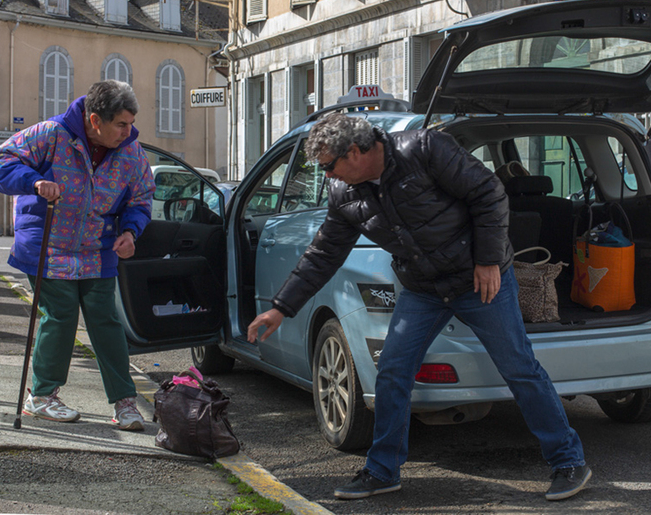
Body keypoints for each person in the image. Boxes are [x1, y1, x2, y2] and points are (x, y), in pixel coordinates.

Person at [247, 114, 591, 501]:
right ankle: (382, 471)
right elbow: (323, 254)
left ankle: (568, 461)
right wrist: (280, 308)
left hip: (479, 279)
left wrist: (488, 259)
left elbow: (488, 192)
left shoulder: (425, 149)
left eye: (329, 166)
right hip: (423, 289)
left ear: (357, 152)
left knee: (519, 368)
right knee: (392, 372)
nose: (328, 176)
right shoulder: (345, 193)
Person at [0, 80, 155, 431]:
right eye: (121, 124)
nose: (128, 132)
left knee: (106, 322)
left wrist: (129, 231)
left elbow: (141, 197)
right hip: (48, 247)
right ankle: (43, 395)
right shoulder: (52, 134)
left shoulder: (131, 151)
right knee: (60, 317)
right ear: (96, 120)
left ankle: (125, 402)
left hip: (97, 247)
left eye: (130, 123)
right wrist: (33, 181)